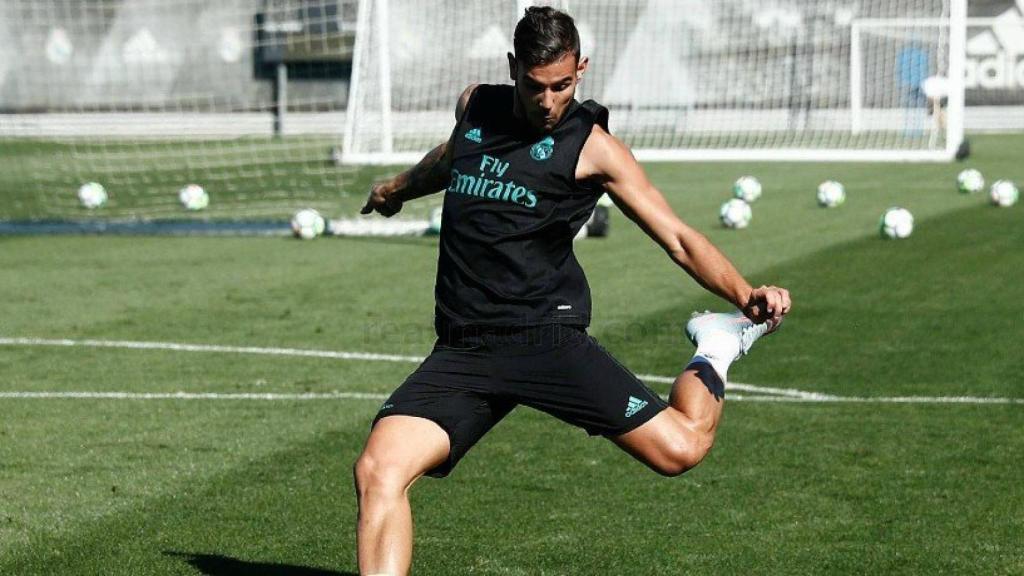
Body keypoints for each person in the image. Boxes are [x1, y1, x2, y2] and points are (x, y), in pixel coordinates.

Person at [353, 7, 791, 575]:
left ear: (580, 69)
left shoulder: (595, 148)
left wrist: (742, 294)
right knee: (377, 470)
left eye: (561, 85)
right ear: (513, 69)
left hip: (547, 340)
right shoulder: (476, 106)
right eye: (534, 86)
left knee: (682, 450)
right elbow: (453, 156)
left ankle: (716, 346)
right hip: (463, 349)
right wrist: (397, 189)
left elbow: (679, 238)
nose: (547, 100)